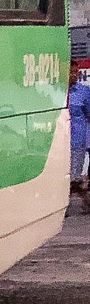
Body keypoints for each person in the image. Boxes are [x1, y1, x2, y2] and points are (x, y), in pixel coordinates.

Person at [71, 69, 90, 214]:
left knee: (74, 176)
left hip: (78, 140)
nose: (73, 75)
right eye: (71, 72)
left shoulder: (84, 91)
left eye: (76, 72)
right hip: (59, 140)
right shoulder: (57, 91)